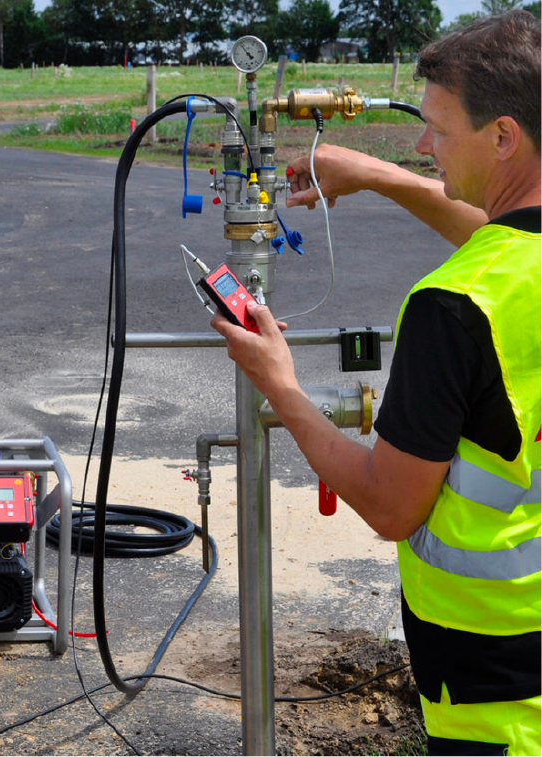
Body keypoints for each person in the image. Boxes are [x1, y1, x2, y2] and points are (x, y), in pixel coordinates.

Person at [211, 11, 542, 755]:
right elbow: (512, 234)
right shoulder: (506, 276)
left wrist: (282, 388)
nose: (422, 145)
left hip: (496, 698)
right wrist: (376, 175)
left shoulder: (452, 307)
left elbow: (391, 507)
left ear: (502, 136)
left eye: (435, 128)